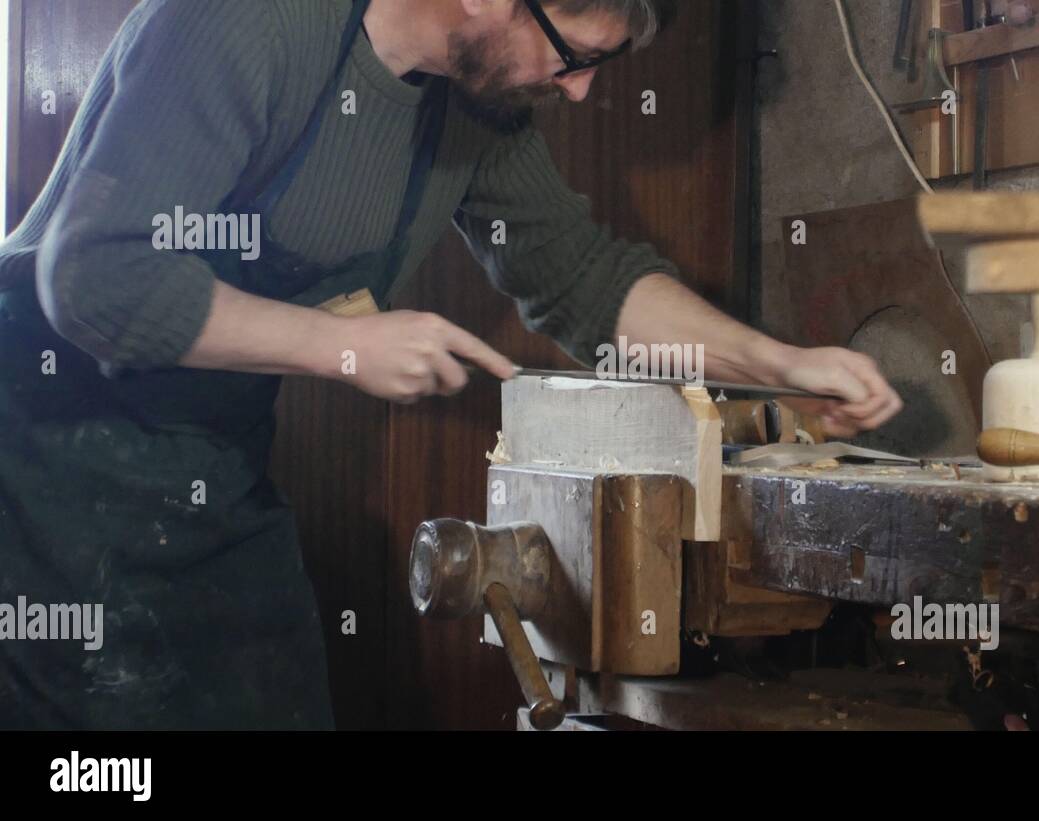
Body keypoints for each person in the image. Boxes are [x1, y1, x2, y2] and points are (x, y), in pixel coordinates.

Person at [0, 0, 902, 729]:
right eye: (573, 53)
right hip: (38, 446)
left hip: (209, 464)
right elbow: (95, 279)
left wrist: (778, 363)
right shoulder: (246, 20)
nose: (581, 92)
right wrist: (344, 345)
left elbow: (584, 280)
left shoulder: (471, 108)